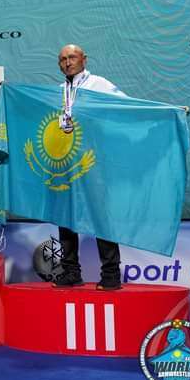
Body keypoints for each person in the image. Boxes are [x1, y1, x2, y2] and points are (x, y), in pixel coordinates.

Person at [53, 44, 124, 291]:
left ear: (84, 59)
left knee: (100, 215)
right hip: (66, 163)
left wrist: (167, 112)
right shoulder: (58, 92)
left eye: (72, 57)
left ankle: (111, 274)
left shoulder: (99, 85)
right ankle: (71, 272)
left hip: (94, 161)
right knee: (65, 216)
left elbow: (129, 108)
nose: (67, 62)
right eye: (62, 59)